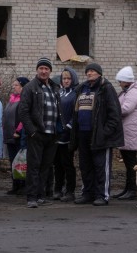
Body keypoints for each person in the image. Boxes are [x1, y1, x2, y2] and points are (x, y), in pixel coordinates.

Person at [70, 63, 123, 206]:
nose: (89, 73)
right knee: (85, 165)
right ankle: (88, 193)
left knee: (101, 166)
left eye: (92, 71)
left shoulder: (106, 88)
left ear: (99, 73)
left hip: (99, 136)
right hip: (83, 134)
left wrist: (105, 132)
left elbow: (115, 114)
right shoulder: (81, 88)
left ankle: (102, 195)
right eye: (88, 71)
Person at [18, 57, 61, 208]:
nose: (43, 71)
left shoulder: (54, 87)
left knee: (46, 167)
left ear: (50, 71)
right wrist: (32, 131)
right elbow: (23, 112)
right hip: (37, 133)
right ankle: (31, 197)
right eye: (41, 68)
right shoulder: (30, 87)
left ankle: (41, 195)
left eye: (46, 69)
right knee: (34, 166)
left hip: (52, 134)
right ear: (37, 70)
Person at [112, 66, 137, 201]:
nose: (119, 84)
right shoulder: (128, 92)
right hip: (127, 131)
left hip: (131, 132)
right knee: (128, 162)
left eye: (120, 81)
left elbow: (125, 109)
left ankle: (133, 189)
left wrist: (112, 112)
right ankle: (128, 188)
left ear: (126, 81)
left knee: (131, 163)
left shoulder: (134, 92)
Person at [53, 67, 78, 202]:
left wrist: (69, 126)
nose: (66, 81)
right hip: (56, 133)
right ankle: (57, 188)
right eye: (64, 78)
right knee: (57, 164)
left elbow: (76, 113)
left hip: (67, 134)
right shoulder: (59, 93)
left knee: (67, 163)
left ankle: (70, 190)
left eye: (68, 78)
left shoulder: (75, 94)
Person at [3, 76, 28, 195]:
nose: (14, 87)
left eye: (17, 85)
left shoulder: (24, 100)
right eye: (14, 85)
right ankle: (15, 185)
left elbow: (23, 118)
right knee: (12, 161)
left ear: (23, 87)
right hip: (9, 136)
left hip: (18, 135)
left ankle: (23, 185)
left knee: (20, 161)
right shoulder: (12, 99)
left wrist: (18, 131)